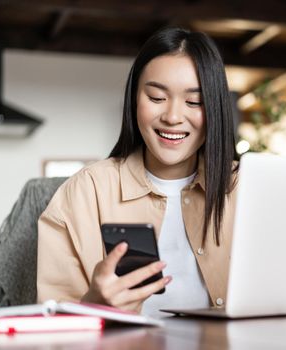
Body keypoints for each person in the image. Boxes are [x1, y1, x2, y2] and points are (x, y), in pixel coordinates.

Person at [37, 27, 238, 316]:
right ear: (134, 100)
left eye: (194, 102)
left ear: (216, 109)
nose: (172, 117)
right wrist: (94, 304)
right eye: (157, 97)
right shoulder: (84, 192)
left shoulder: (246, 188)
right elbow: (51, 322)